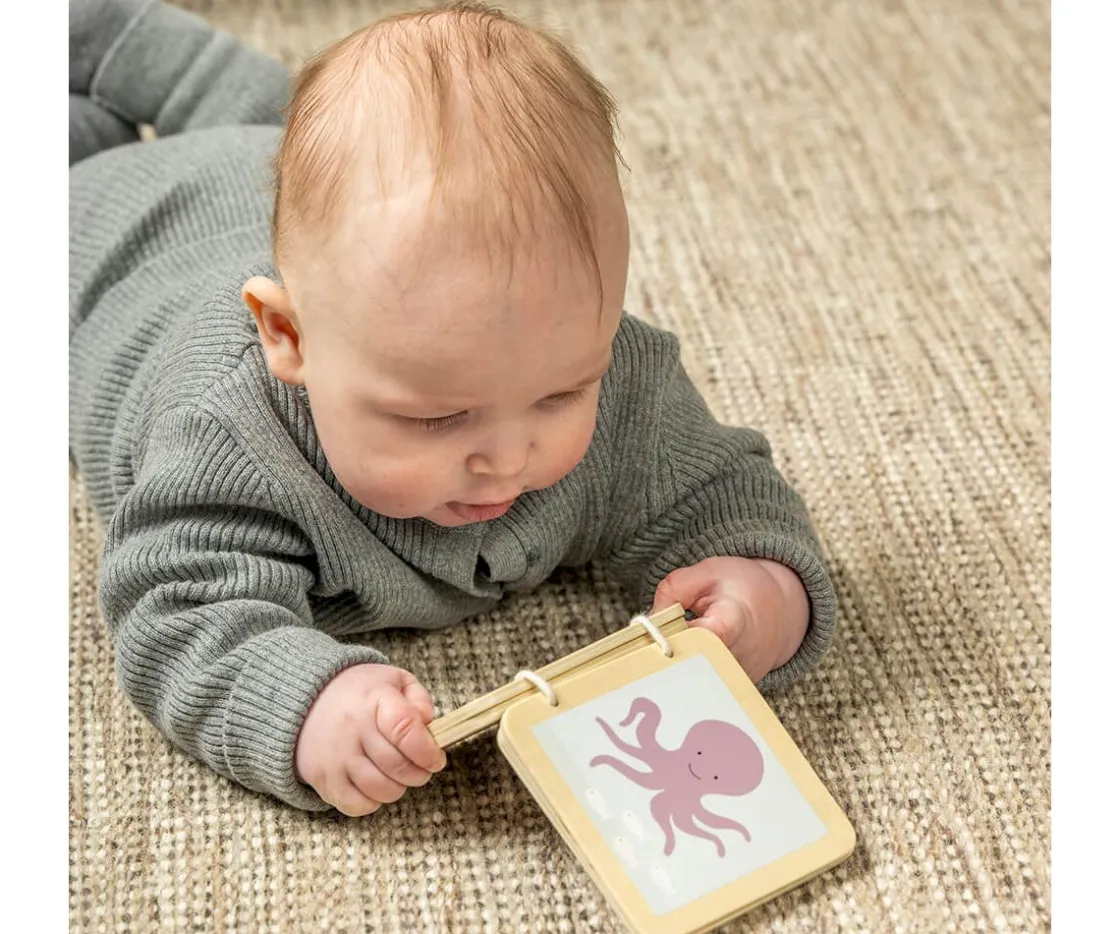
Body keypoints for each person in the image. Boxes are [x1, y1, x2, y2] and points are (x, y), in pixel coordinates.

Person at [69, 0, 837, 816]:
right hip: (103, 242)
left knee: (277, 134)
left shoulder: (619, 380)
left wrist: (764, 590)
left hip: (266, 177)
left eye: (559, 394)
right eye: (437, 418)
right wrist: (303, 705)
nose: (508, 458)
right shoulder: (225, 436)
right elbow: (176, 606)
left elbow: (719, 490)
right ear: (289, 337)